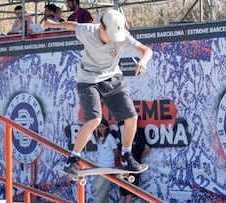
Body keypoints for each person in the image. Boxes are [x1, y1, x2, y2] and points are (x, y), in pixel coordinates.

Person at [44, 9, 153, 174]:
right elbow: (73, 25)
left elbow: (146, 50)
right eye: (110, 36)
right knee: (94, 119)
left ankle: (126, 155)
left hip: (112, 78)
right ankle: (73, 159)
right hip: (88, 80)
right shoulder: (89, 31)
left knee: (131, 117)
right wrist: (53, 24)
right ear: (101, 28)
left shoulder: (122, 36)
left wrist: (143, 61)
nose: (112, 41)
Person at [118, 123, 150, 203]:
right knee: (123, 186)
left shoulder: (138, 135)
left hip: (134, 165)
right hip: (124, 165)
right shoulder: (123, 135)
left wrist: (138, 157)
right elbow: (118, 148)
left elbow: (147, 149)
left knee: (131, 187)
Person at [92, 119, 119, 203]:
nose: (100, 128)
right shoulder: (99, 138)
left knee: (99, 191)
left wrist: (112, 163)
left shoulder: (110, 137)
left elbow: (116, 151)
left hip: (107, 167)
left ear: (107, 127)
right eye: (99, 126)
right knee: (98, 189)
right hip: (100, 166)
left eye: (102, 126)